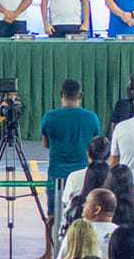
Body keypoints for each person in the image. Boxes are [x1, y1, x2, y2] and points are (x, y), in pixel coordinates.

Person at [39, 80, 101, 239]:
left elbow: (46, 143)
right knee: (84, 212)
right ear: (81, 95)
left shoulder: (49, 117)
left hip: (56, 173)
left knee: (53, 213)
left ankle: (49, 253)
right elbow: (95, 144)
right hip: (84, 174)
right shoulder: (91, 117)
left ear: (61, 94)